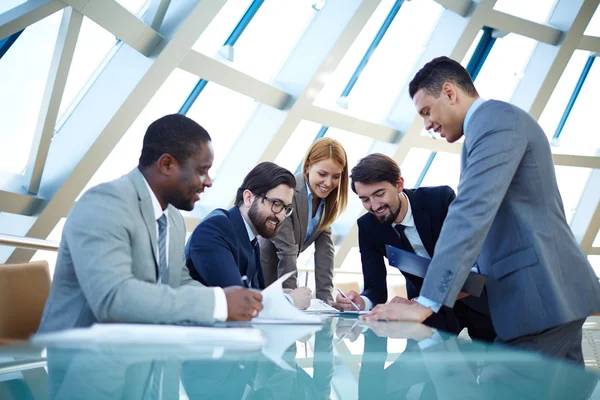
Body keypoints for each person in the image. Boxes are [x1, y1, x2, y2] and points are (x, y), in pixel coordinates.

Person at [362, 56, 600, 363]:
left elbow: (471, 210)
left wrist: (427, 301)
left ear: (449, 93)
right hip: (548, 297)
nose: (427, 124)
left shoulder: (494, 121)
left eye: (426, 111)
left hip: (537, 299)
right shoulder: (488, 127)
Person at [37, 114, 263, 333]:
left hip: (145, 353)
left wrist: (233, 303)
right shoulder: (105, 204)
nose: (208, 182)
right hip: (81, 360)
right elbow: (113, 298)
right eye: (201, 171)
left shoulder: (173, 219)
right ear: (166, 164)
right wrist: (217, 303)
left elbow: (178, 281)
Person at [335, 153, 496, 342]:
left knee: (501, 363)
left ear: (399, 184)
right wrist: (361, 302)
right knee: (414, 368)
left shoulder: (440, 200)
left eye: (380, 194)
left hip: (478, 301)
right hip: (426, 318)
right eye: (365, 199)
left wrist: (420, 305)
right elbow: (375, 287)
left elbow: (472, 264)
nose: (374, 206)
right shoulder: (368, 227)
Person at [185, 162, 312, 309]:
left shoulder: (251, 238)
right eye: (276, 204)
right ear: (248, 198)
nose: (282, 215)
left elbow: (250, 291)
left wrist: (275, 295)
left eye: (286, 208)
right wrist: (288, 301)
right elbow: (237, 300)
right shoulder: (214, 229)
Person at [260, 138, 349, 303]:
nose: (328, 183)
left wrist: (326, 302)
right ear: (308, 165)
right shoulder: (287, 192)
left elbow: (325, 254)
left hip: (281, 281)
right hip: (260, 277)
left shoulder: (327, 204)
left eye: (336, 176)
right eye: (322, 174)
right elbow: (287, 250)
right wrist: (293, 298)